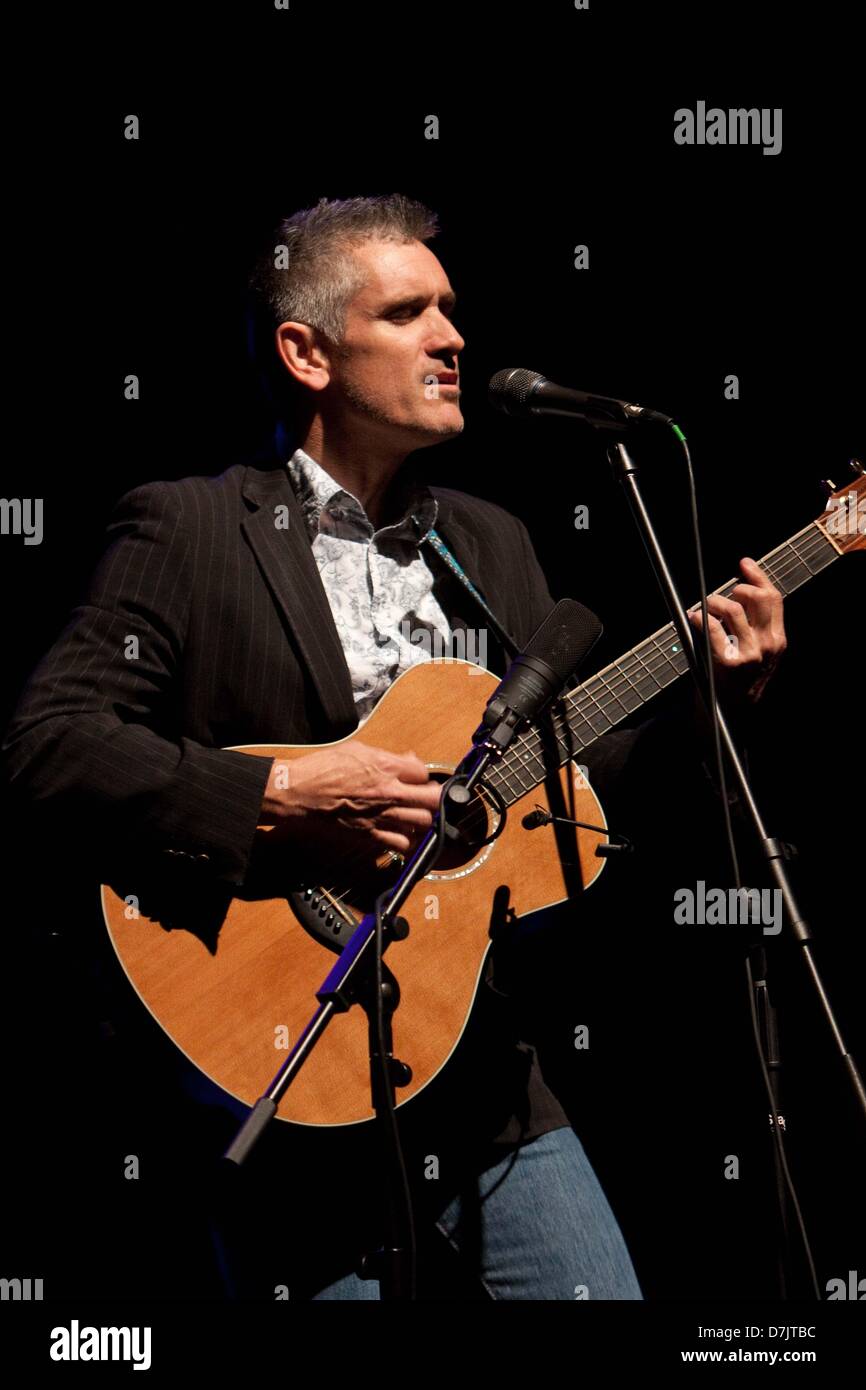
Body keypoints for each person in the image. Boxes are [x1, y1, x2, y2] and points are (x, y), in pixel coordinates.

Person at [2, 194, 787, 1300]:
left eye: (451, 310)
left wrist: (712, 702)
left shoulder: (491, 543)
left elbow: (568, 798)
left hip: (479, 1075)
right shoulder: (187, 526)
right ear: (306, 352)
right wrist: (284, 789)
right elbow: (48, 748)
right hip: (281, 1064)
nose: (453, 338)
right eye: (409, 311)